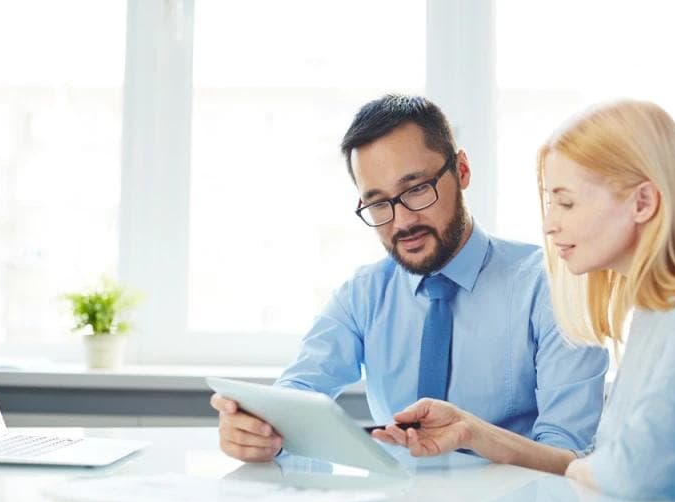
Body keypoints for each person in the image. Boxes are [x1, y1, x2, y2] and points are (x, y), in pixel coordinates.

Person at [211, 94, 608, 463]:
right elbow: (299, 395)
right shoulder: (363, 295)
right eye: (378, 203)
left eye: (416, 190)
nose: (402, 221)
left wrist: (474, 434)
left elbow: (568, 453)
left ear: (463, 170)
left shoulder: (554, 287)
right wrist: (261, 432)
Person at [373, 99, 675, 502]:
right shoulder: (659, 308)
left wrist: (589, 469)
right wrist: (472, 431)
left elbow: (630, 470)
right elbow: (598, 465)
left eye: (566, 201)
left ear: (643, 202)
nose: (549, 224)